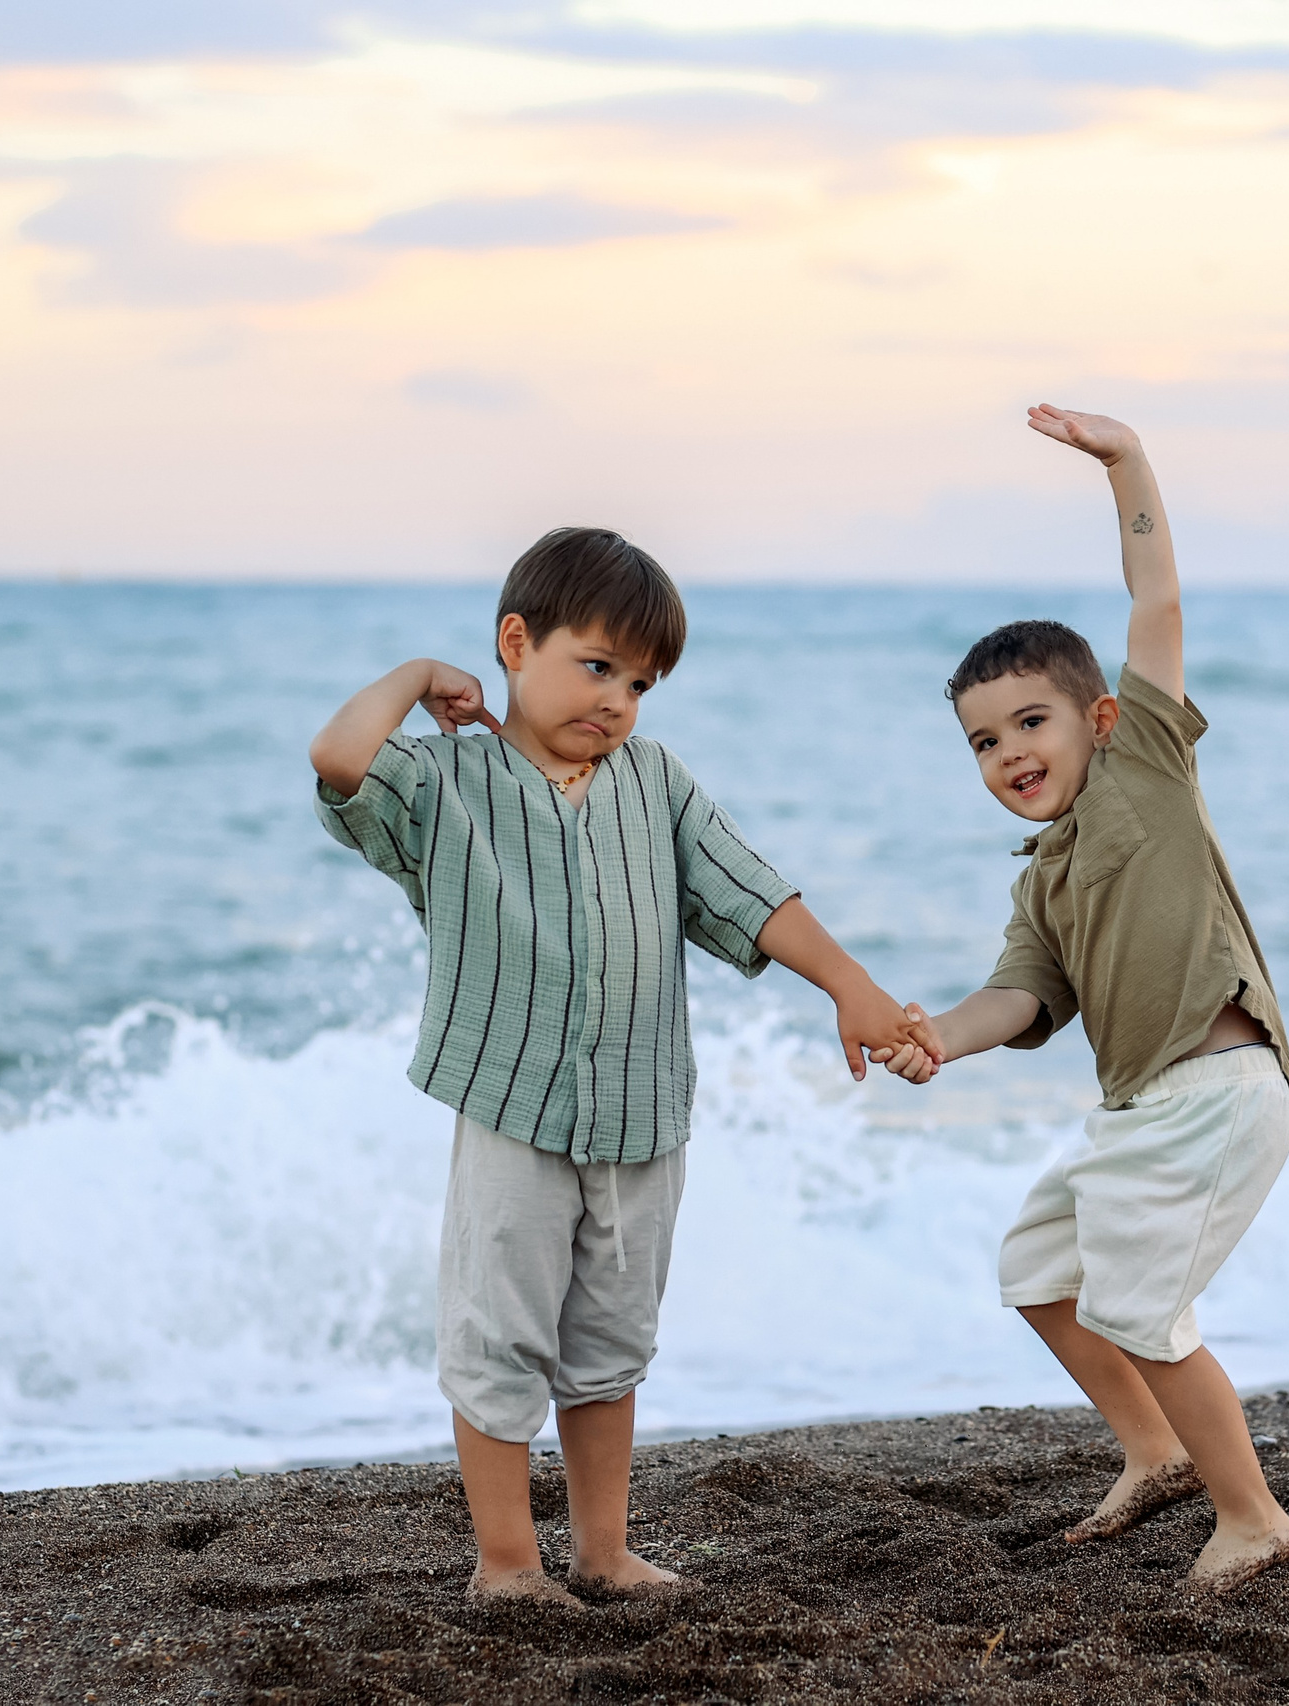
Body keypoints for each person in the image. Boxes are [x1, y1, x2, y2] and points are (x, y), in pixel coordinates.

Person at [309, 527, 918, 1604]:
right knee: (497, 1335)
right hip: (510, 1106)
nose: (618, 699)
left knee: (611, 1340)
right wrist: (413, 677)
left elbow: (753, 894)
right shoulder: (448, 785)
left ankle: (603, 1548)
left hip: (642, 1113)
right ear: (515, 643)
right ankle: (506, 1560)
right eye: (597, 666)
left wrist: (851, 986)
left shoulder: (656, 784)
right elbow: (338, 759)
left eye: (640, 681)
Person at [883, 406, 1289, 1593]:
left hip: (1219, 1088)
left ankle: (1252, 1513)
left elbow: (1156, 601)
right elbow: (1016, 996)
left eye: (1030, 720)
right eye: (981, 742)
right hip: (1142, 1113)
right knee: (1037, 1264)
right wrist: (935, 1041)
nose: (1008, 750)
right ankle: (1154, 1449)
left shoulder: (1144, 768)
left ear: (1097, 718)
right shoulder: (1046, 878)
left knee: (1143, 1302)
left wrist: (1125, 464)